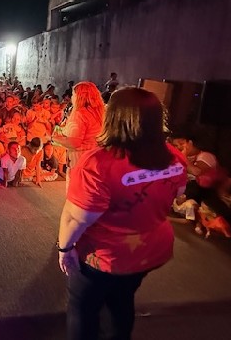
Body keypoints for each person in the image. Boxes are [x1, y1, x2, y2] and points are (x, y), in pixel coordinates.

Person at [57, 87, 187, 340]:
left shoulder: (98, 163)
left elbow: (77, 218)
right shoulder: (174, 157)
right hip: (150, 249)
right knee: (122, 299)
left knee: (83, 308)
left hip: (104, 255)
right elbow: (179, 192)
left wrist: (65, 248)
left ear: (114, 117)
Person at [52, 81, 105, 187]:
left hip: (80, 159)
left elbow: (74, 142)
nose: (72, 97)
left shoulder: (80, 114)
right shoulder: (101, 112)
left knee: (77, 191)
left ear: (79, 96)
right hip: (96, 158)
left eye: (73, 94)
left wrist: (55, 138)